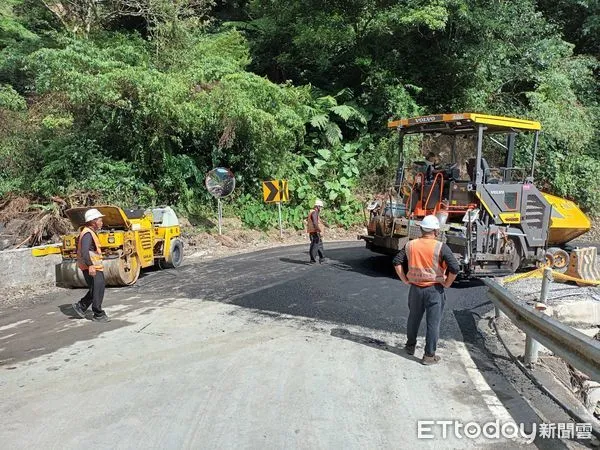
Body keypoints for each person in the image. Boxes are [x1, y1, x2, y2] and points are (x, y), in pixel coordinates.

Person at [393, 215, 460, 365]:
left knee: (413, 319)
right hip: (434, 290)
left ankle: (410, 347)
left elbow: (397, 261)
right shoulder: (440, 247)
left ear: (422, 229)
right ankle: (429, 356)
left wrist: (404, 279)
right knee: (433, 323)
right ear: (436, 231)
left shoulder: (411, 245)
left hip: (415, 289)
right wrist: (447, 283)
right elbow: (455, 268)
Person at [72, 208, 110, 322]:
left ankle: (81, 306)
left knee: (96, 288)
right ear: (93, 221)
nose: (102, 222)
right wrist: (90, 266)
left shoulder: (89, 232)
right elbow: (84, 251)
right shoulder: (88, 233)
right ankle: (98, 314)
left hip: (92, 265)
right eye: (100, 220)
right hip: (91, 266)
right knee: (98, 288)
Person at [307, 199, 326, 264]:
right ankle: (312, 260)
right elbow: (315, 222)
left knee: (319, 244)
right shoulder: (314, 213)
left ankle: (322, 258)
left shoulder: (312, 212)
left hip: (312, 231)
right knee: (314, 246)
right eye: (320, 207)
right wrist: (318, 230)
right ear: (317, 207)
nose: (321, 208)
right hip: (315, 231)